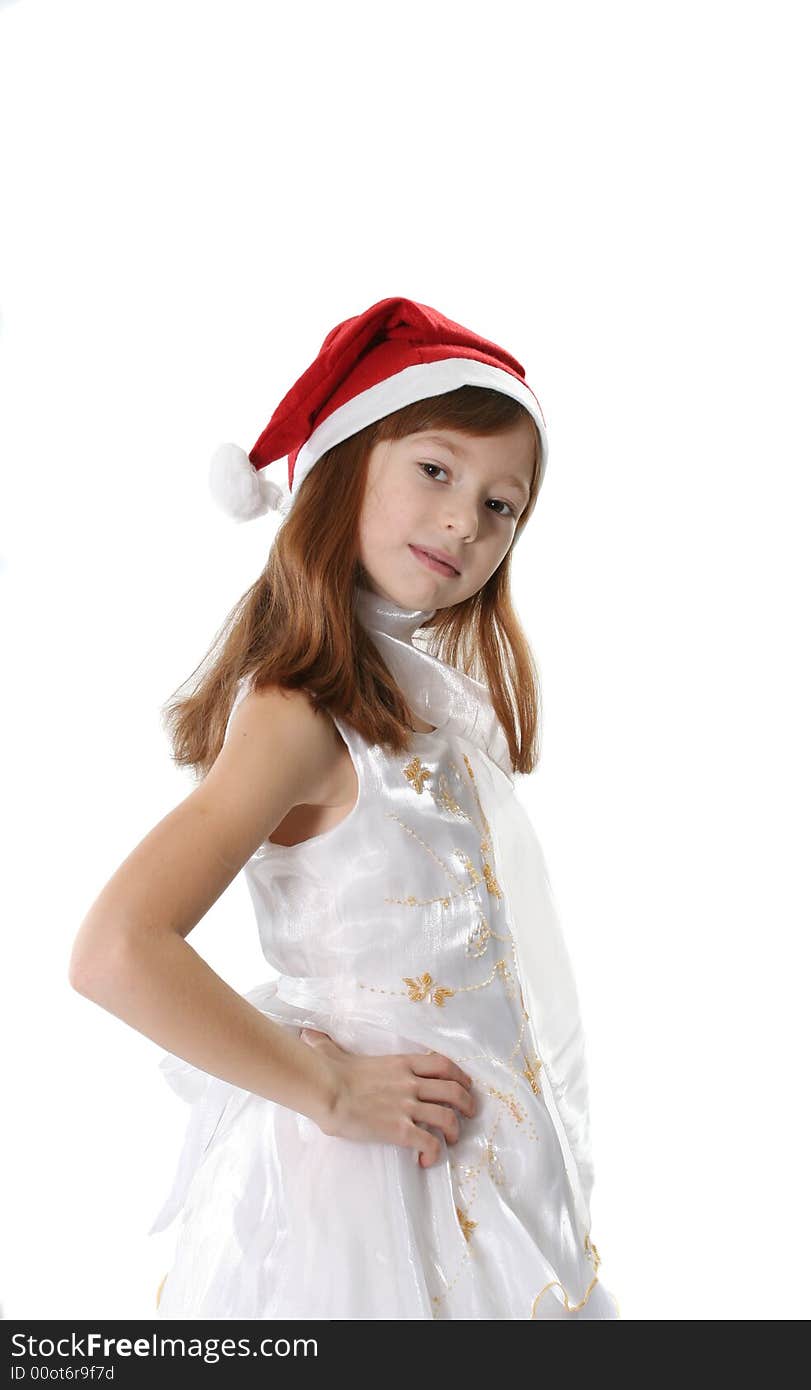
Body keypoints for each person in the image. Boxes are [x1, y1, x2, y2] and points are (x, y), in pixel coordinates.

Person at [69, 295, 621, 1320]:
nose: (466, 518)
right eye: (435, 469)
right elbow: (115, 948)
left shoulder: (408, 707)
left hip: (468, 1182)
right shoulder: (298, 713)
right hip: (374, 1198)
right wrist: (330, 1090)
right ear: (344, 464)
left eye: (503, 505)